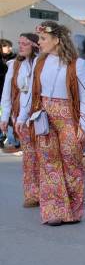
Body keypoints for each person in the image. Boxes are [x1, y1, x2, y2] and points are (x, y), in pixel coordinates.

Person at [28, 22, 85, 226]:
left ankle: (72, 211)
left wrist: (84, 125)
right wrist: (22, 119)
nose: (39, 43)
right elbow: (32, 92)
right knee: (48, 163)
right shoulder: (40, 62)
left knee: (72, 164)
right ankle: (54, 211)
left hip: (69, 118)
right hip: (45, 116)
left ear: (57, 40)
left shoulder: (77, 64)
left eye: (43, 39)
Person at [0, 34, 40, 205]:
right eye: (20, 43)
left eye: (25, 44)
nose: (21, 46)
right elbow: (6, 93)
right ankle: (32, 193)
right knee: (29, 156)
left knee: (44, 156)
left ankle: (47, 192)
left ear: (34, 45)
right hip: (20, 116)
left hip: (40, 114)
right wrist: (4, 116)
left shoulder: (42, 63)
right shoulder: (14, 64)